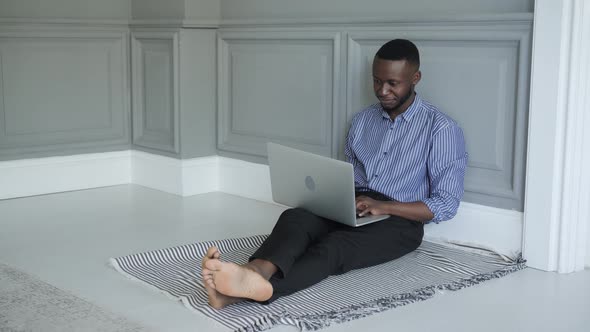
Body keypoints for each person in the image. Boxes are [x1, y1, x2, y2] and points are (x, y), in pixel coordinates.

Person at [201, 39, 468, 309]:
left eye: (392, 83)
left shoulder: (441, 129)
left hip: (400, 222)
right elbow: (351, 175)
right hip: (356, 203)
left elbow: (445, 204)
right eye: (376, 81)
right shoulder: (363, 121)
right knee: (296, 218)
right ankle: (255, 271)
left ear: (415, 78)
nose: (382, 90)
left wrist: (383, 206)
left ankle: (255, 291)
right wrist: (331, 198)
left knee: (335, 246)